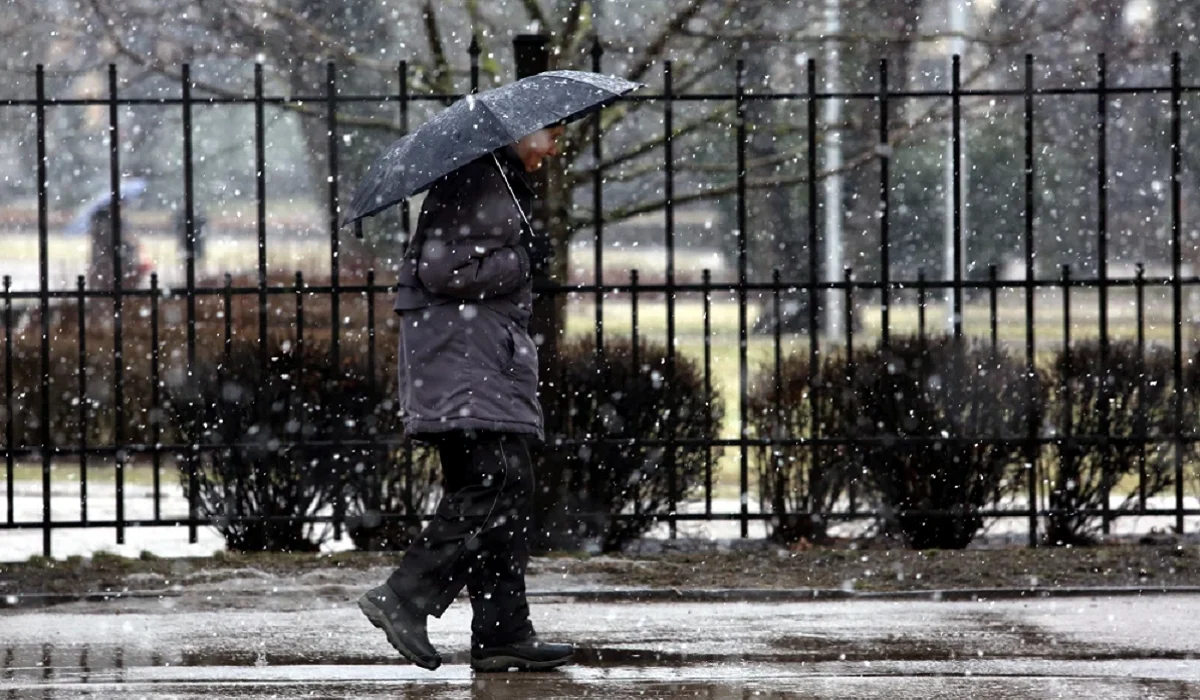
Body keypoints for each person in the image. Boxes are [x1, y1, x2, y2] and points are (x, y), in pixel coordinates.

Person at [357, 125, 573, 673]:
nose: (555, 148)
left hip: (470, 355)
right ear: (523, 130)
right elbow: (444, 269)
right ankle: (404, 596)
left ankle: (503, 634)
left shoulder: (491, 179)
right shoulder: (482, 181)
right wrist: (524, 260)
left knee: (498, 489)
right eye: (552, 134)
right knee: (499, 482)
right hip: (466, 358)